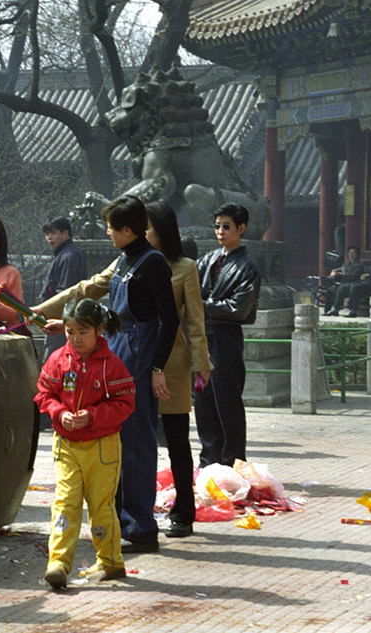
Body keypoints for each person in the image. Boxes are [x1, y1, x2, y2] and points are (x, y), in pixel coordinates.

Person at [33, 197, 179, 553]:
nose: (108, 234)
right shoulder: (125, 259)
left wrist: (158, 368)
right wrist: (68, 327)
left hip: (139, 351)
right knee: (114, 439)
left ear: (128, 230)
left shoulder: (153, 262)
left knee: (135, 440)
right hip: (116, 345)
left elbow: (169, 319)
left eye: (112, 228)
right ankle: (115, 522)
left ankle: (141, 528)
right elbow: (112, 314)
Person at [36, 298, 135, 589]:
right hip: (66, 445)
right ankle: (59, 563)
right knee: (65, 503)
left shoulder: (112, 365)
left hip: (102, 447)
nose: (76, 339)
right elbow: (44, 393)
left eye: (83, 332)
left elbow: (125, 403)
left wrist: (92, 416)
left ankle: (110, 562)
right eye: (70, 332)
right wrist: (59, 413)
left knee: (101, 506)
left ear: (99, 331)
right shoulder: (57, 359)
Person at [144, 201, 212, 538]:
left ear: (163, 229)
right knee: (136, 440)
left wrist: (202, 364)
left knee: (176, 440)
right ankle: (138, 510)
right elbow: (93, 286)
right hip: (137, 361)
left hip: (172, 364)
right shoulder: (132, 260)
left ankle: (184, 511)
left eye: (147, 226)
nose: (142, 232)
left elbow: (195, 321)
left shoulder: (185, 267)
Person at [194, 203, 260, 469]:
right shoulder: (209, 260)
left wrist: (202, 304)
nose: (220, 231)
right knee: (203, 398)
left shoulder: (248, 265)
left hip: (226, 337)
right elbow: (190, 290)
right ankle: (209, 460)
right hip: (203, 336)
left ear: (241, 229)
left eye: (226, 226)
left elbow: (238, 307)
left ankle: (233, 460)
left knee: (227, 399)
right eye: (217, 226)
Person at [39, 218, 87, 360]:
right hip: (59, 317)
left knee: (54, 359)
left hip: (61, 317)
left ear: (66, 233)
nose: (49, 238)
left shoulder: (69, 256)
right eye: (47, 234)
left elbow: (65, 291)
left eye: (53, 233)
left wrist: (48, 310)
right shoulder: (64, 254)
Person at [326, 246, 371, 317]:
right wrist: (334, 271)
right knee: (337, 288)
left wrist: (340, 275)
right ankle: (335, 309)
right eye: (350, 253)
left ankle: (352, 310)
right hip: (345, 284)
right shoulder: (346, 264)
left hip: (355, 283)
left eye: (353, 253)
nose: (351, 255)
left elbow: (353, 275)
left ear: (357, 254)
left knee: (348, 288)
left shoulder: (360, 265)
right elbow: (339, 269)